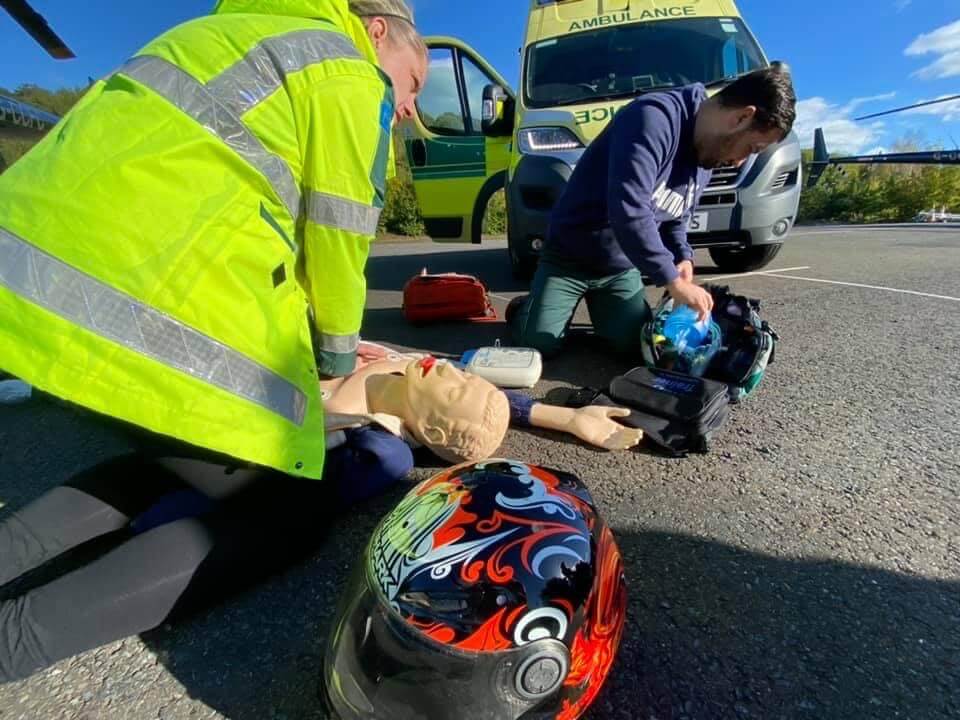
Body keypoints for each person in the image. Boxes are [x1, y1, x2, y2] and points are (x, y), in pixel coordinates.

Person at [0, 0, 427, 684]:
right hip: (134, 300)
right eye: (411, 83)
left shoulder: (230, 32)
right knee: (291, 507)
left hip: (31, 285)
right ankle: (12, 642)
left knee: (175, 457)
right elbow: (338, 241)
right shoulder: (347, 70)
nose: (407, 107)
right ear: (377, 31)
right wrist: (334, 363)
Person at [508, 64, 797, 358]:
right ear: (742, 117)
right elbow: (629, 209)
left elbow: (676, 216)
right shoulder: (652, 118)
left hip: (618, 269)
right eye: (752, 148)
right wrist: (672, 280)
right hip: (568, 259)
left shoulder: (706, 154)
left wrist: (682, 256)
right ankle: (529, 309)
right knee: (538, 345)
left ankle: (593, 313)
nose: (740, 161)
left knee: (635, 346)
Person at [321, 351, 644, 462]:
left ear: (431, 429)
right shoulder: (420, 374)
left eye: (454, 391)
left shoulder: (339, 415)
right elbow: (493, 400)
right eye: (465, 376)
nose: (448, 369)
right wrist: (568, 417)